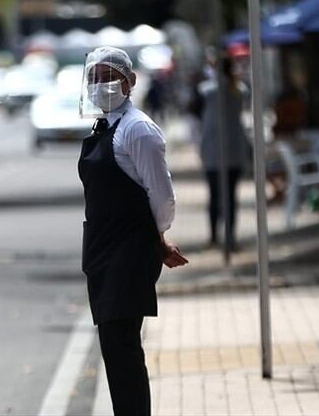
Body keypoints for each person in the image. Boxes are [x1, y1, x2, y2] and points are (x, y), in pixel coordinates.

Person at [78, 46, 188, 416]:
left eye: (110, 76)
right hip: (102, 251)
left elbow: (162, 197)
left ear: (130, 81)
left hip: (128, 252)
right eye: (95, 77)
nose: (102, 84)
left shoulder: (137, 130)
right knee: (114, 347)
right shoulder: (103, 127)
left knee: (122, 345)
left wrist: (155, 239)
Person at [198, 57, 249, 249]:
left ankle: (214, 236)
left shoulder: (208, 90)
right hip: (234, 151)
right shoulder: (239, 90)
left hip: (214, 152)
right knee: (230, 198)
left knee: (215, 196)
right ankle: (230, 236)